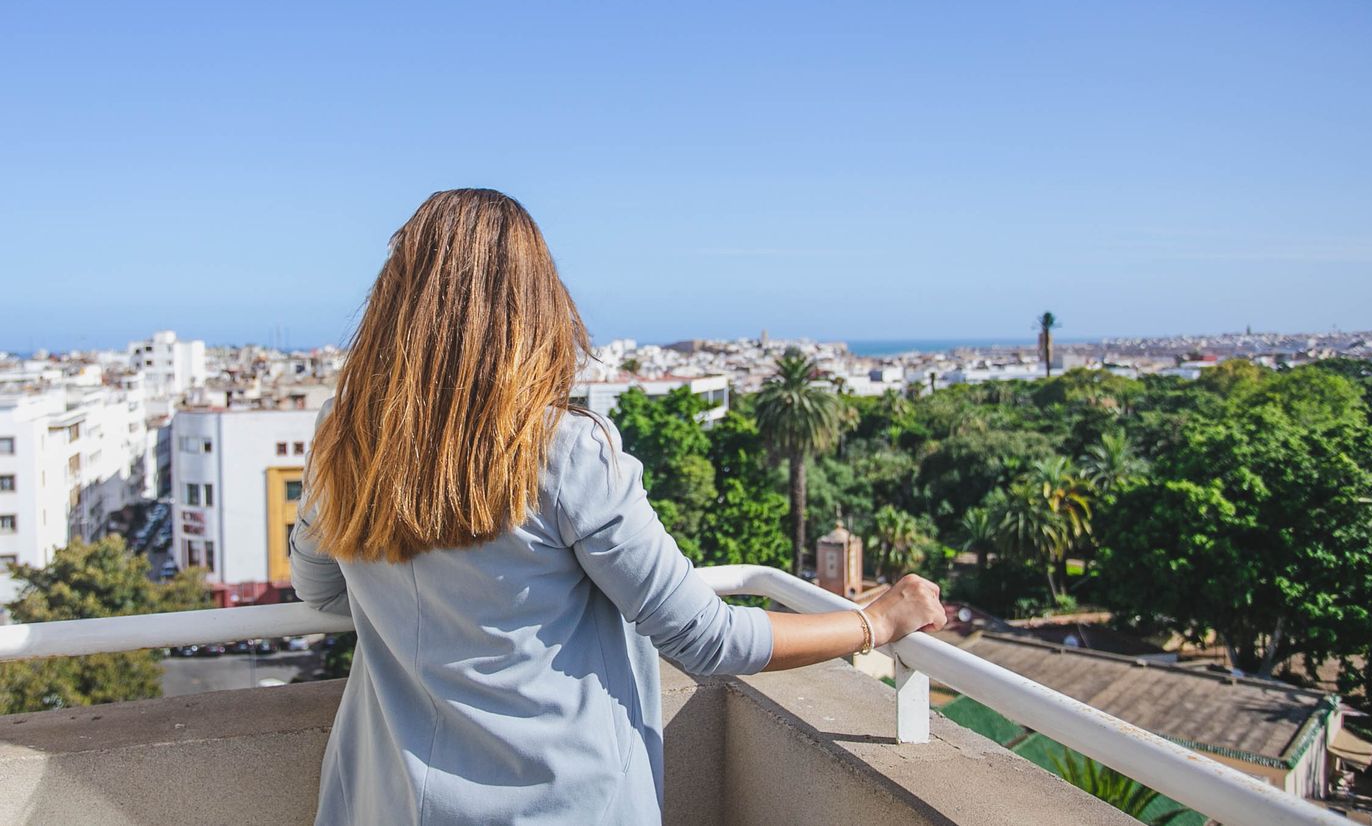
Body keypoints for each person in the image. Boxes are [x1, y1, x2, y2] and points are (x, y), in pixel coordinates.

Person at [289, 189, 948, 826]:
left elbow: (319, 590)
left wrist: (420, 600)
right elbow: (706, 638)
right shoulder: (564, 451)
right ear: (532, 304)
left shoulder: (341, 438)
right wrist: (875, 622)